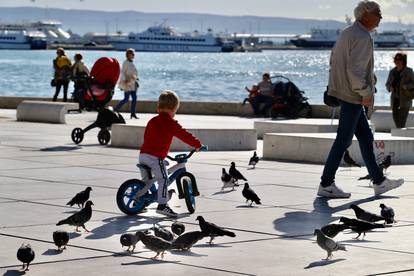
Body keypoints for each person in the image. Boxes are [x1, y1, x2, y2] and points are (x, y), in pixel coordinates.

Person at [317, 1, 404, 199]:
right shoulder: (362, 36)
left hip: (345, 92)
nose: (381, 17)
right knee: (343, 140)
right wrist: (365, 92)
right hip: (353, 96)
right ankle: (326, 183)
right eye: (378, 14)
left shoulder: (347, 33)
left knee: (365, 137)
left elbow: (335, 62)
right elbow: (355, 70)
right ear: (366, 16)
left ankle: (379, 181)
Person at [138, 90, 203, 218]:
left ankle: (141, 202)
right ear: (173, 109)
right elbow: (184, 135)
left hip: (143, 155)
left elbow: (149, 138)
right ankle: (162, 206)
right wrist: (197, 145)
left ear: (159, 107)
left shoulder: (152, 121)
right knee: (163, 179)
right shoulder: (170, 123)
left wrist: (162, 152)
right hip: (154, 157)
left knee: (148, 181)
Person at [386, 52, 414, 128]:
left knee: (401, 122)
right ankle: (399, 135)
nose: (397, 61)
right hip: (394, 100)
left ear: (403, 61)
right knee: (396, 121)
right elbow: (387, 84)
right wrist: (390, 88)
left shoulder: (408, 71)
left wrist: (407, 86)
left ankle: (400, 137)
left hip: (405, 100)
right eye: (396, 59)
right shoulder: (392, 72)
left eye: (399, 59)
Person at [114, 48, 139, 119]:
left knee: (134, 98)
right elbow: (123, 73)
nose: (133, 55)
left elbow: (134, 72)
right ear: (128, 55)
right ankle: (115, 109)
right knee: (126, 99)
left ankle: (133, 113)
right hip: (127, 83)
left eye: (133, 54)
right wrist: (124, 81)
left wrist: (136, 78)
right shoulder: (126, 63)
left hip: (133, 83)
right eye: (131, 54)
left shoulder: (131, 62)